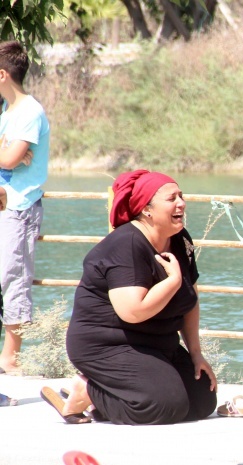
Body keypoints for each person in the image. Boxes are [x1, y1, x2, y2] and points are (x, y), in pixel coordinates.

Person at [40, 170, 217, 425]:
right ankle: (87, 390)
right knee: (164, 405)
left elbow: (191, 300)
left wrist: (196, 354)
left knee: (202, 399)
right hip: (107, 345)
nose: (181, 203)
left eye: (181, 195)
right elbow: (133, 311)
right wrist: (173, 281)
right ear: (146, 209)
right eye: (171, 198)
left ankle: (114, 398)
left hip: (156, 342)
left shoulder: (180, 240)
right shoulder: (127, 245)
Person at [0, 41, 50, 374]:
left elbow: (8, 158)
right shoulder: (7, 113)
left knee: (12, 277)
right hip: (4, 204)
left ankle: (11, 358)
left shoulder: (30, 111)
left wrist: (8, 152)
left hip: (18, 207)